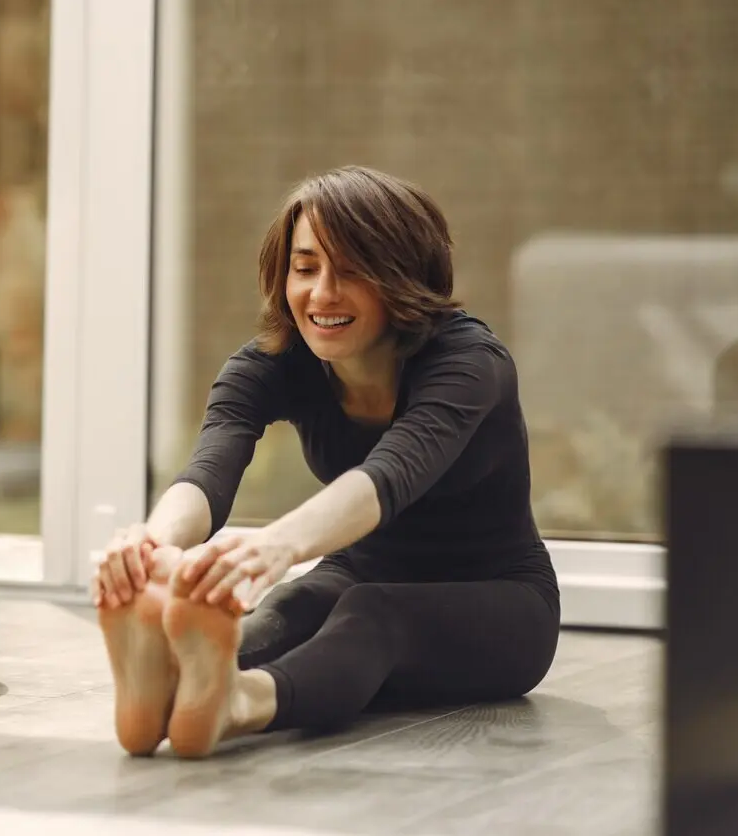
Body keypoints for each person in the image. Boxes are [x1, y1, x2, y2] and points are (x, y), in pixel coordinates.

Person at [95, 165, 560, 758]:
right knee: (294, 603)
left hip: (500, 599)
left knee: (370, 612)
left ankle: (242, 702)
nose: (322, 294)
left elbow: (388, 476)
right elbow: (210, 470)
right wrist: (151, 550)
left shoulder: (468, 362)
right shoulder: (272, 362)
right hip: (358, 568)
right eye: (306, 267)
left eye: (351, 270)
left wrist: (277, 547)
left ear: (402, 275)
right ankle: (171, 684)